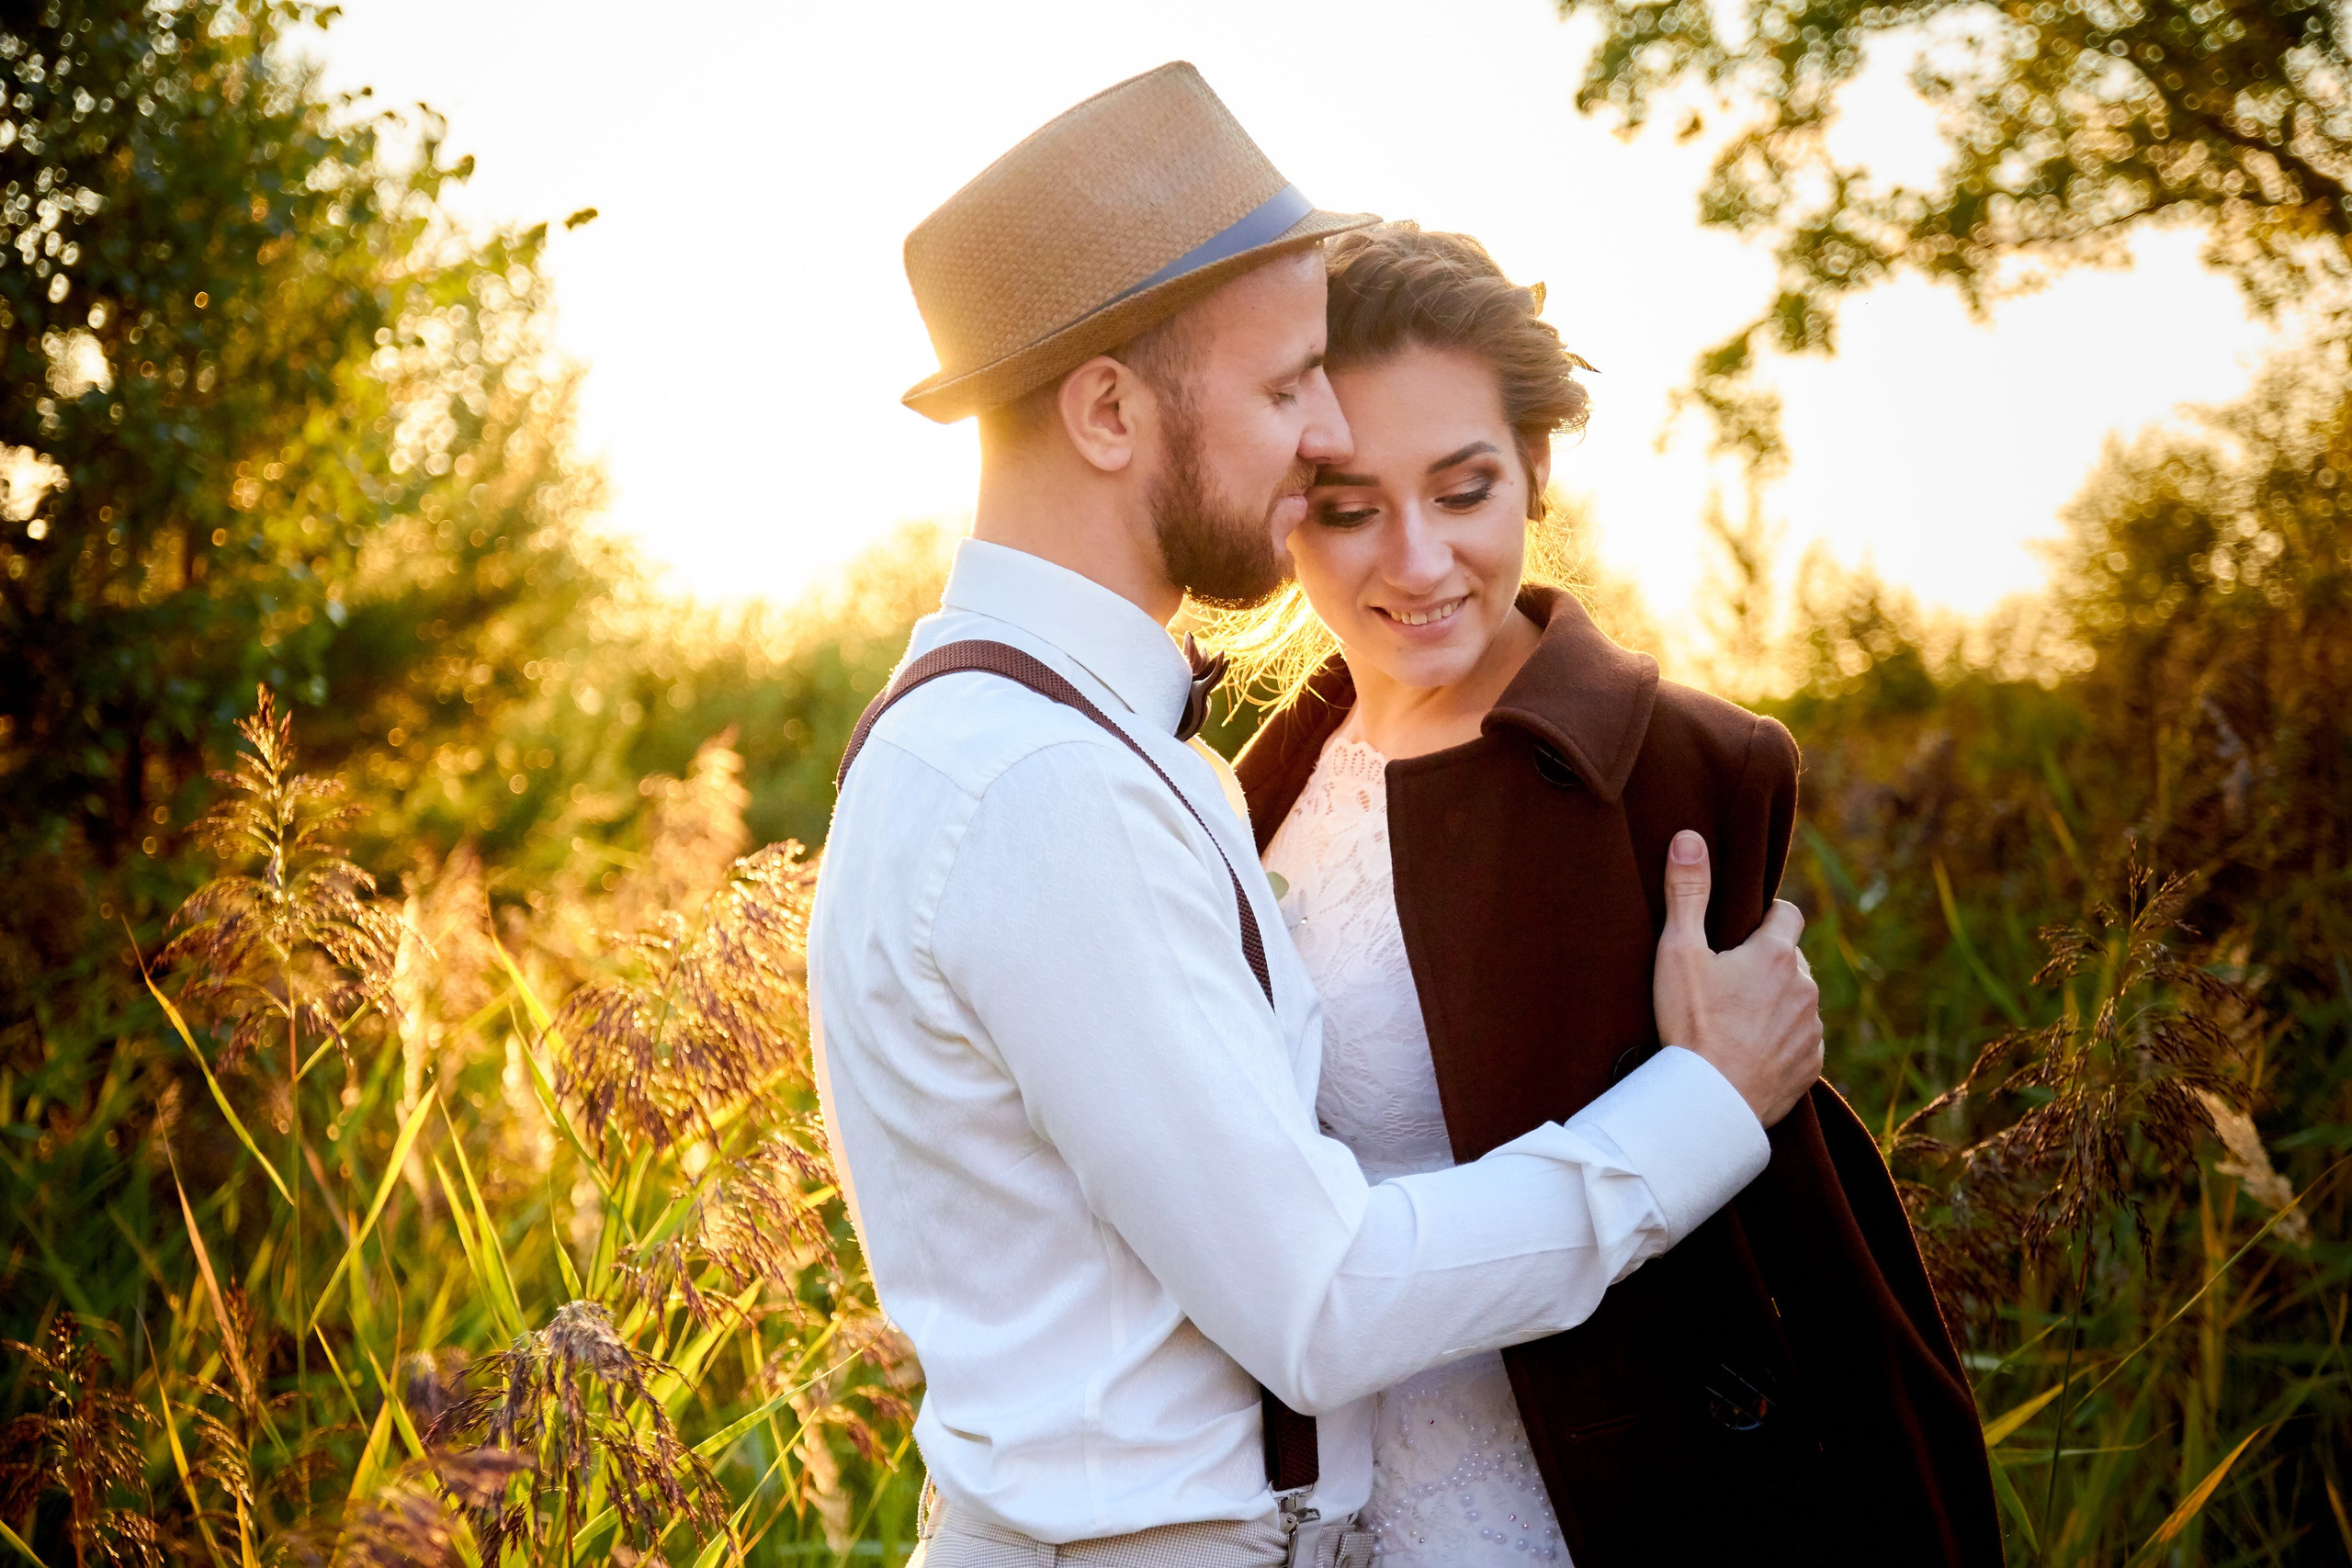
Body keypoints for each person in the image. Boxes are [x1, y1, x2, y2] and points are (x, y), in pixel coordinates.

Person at [809, 64, 1825, 1568]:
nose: (1317, 436)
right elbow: (1321, 1297)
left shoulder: (1072, 740)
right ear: (1105, 410)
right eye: (1287, 388)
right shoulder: (1040, 788)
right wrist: (1702, 1106)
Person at [1219, 223, 2004, 1565]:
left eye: (1465, 491)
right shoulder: (1249, 785)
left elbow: (1786, 1231)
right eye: (1350, 508)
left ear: (1534, 470)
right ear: (1287, 505)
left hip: (1584, 1509)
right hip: (1322, 1511)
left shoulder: (1686, 768)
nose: (1416, 562)